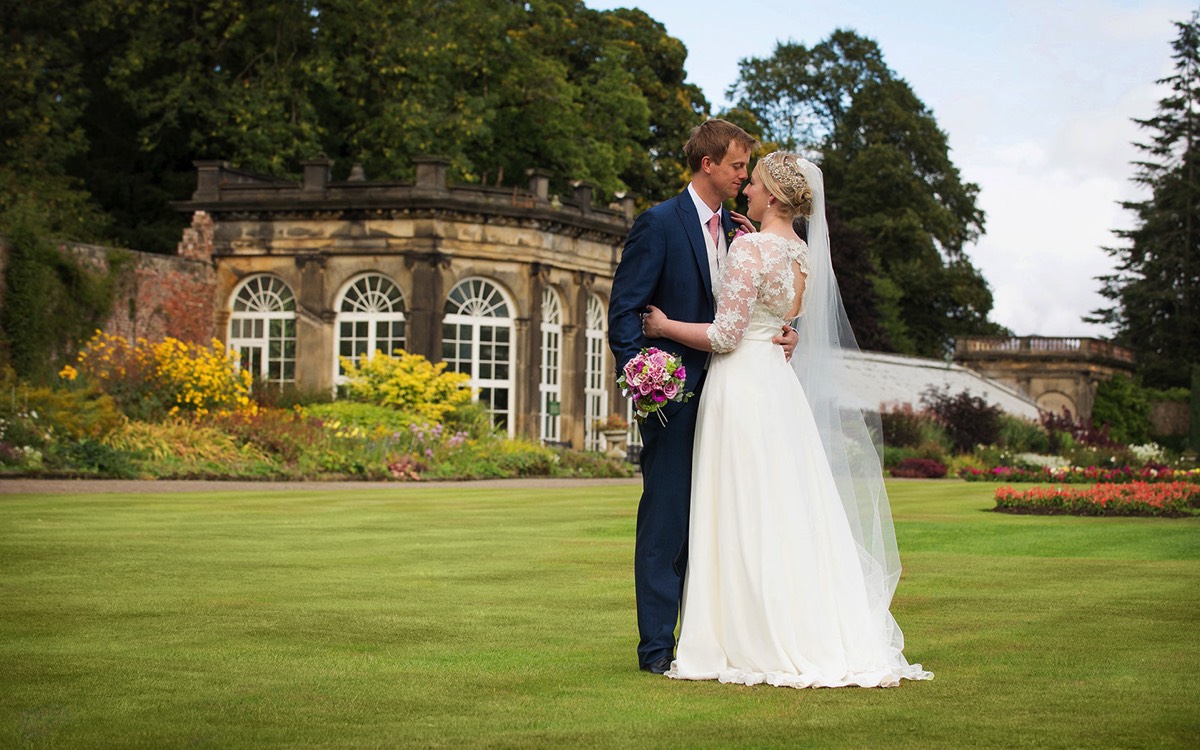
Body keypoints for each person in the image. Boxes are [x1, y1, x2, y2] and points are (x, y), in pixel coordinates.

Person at [642, 152, 933, 688]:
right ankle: (803, 624)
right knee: (783, 505)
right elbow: (783, 321)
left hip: (741, 385)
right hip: (778, 387)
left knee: (739, 503)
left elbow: (726, 335)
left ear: (772, 197)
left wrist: (662, 327)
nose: (744, 190)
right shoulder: (802, 254)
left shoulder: (750, 247)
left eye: (752, 184)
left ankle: (746, 633)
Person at [607, 120, 796, 675]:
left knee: (722, 521)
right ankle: (657, 650)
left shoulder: (743, 234)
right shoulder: (659, 223)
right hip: (675, 395)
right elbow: (626, 310)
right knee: (666, 521)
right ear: (708, 164)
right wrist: (642, 374)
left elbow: (754, 307)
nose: (745, 175)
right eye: (739, 165)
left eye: (748, 168)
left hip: (735, 397)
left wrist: (786, 330)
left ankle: (712, 642)